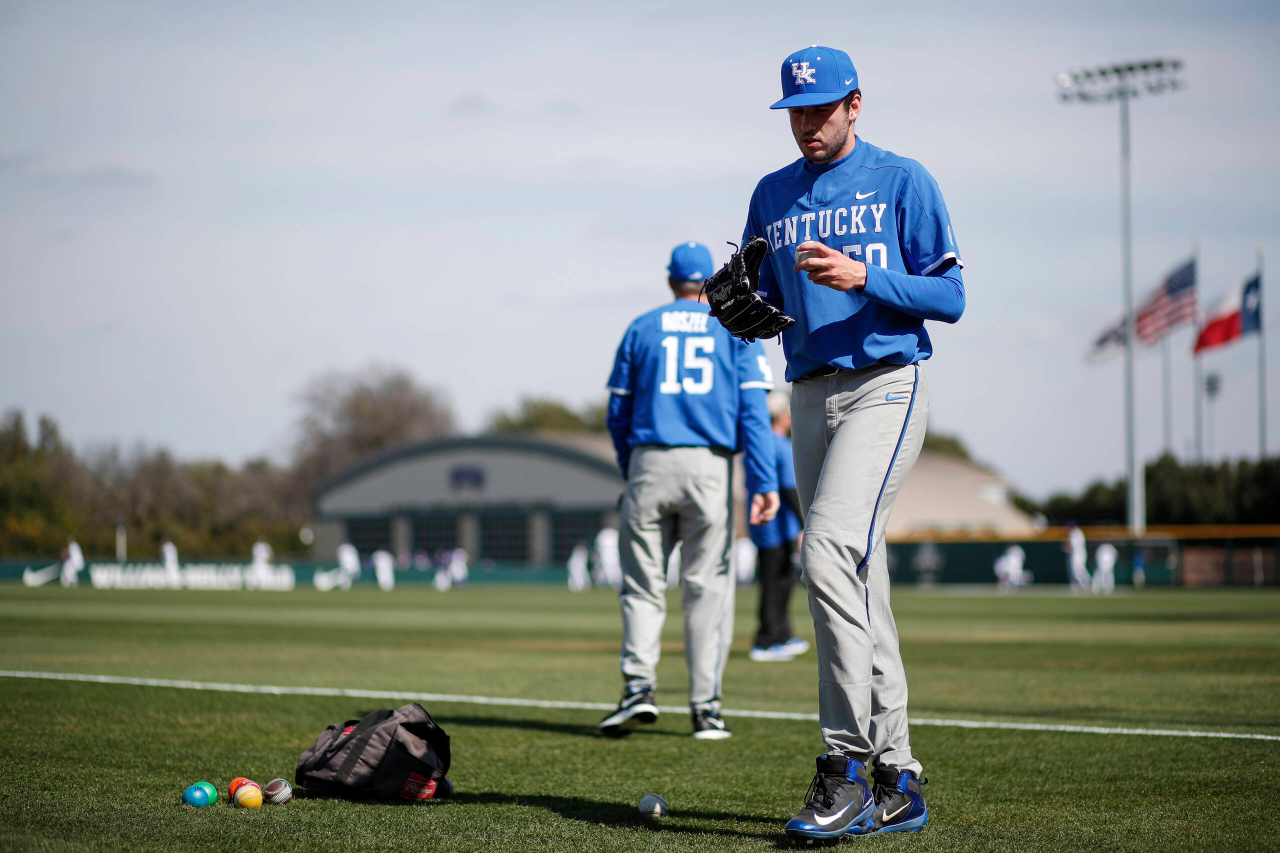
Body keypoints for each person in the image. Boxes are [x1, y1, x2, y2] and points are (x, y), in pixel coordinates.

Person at [739, 47, 965, 838]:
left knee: (828, 548)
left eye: (821, 108)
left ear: (856, 103)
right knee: (859, 581)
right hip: (807, 393)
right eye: (796, 110)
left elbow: (951, 294)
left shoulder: (903, 179)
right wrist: (739, 307)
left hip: (884, 384)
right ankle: (899, 776)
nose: (807, 122)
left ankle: (844, 769)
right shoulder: (772, 192)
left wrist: (865, 275)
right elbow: (761, 294)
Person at [598, 240, 780, 740]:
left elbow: (617, 413)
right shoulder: (734, 326)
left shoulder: (641, 326)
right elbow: (754, 414)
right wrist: (763, 481)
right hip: (708, 467)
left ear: (669, 279)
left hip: (650, 460)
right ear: (711, 281)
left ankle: (639, 688)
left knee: (641, 586)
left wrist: (630, 465)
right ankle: (706, 708)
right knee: (708, 591)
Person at [747, 391, 809, 662]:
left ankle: (781, 634)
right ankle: (766, 640)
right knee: (775, 585)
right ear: (783, 416)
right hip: (777, 527)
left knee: (780, 583)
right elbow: (788, 489)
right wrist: (805, 524)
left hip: (767, 526)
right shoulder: (780, 444)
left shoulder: (760, 443)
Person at [1064, 522, 1091, 592]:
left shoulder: (1075, 533)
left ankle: (1087, 582)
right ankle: (1080, 585)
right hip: (1077, 554)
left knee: (1078, 570)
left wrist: (1066, 547)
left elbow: (1071, 546)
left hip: (1078, 554)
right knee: (1077, 571)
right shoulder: (1076, 532)